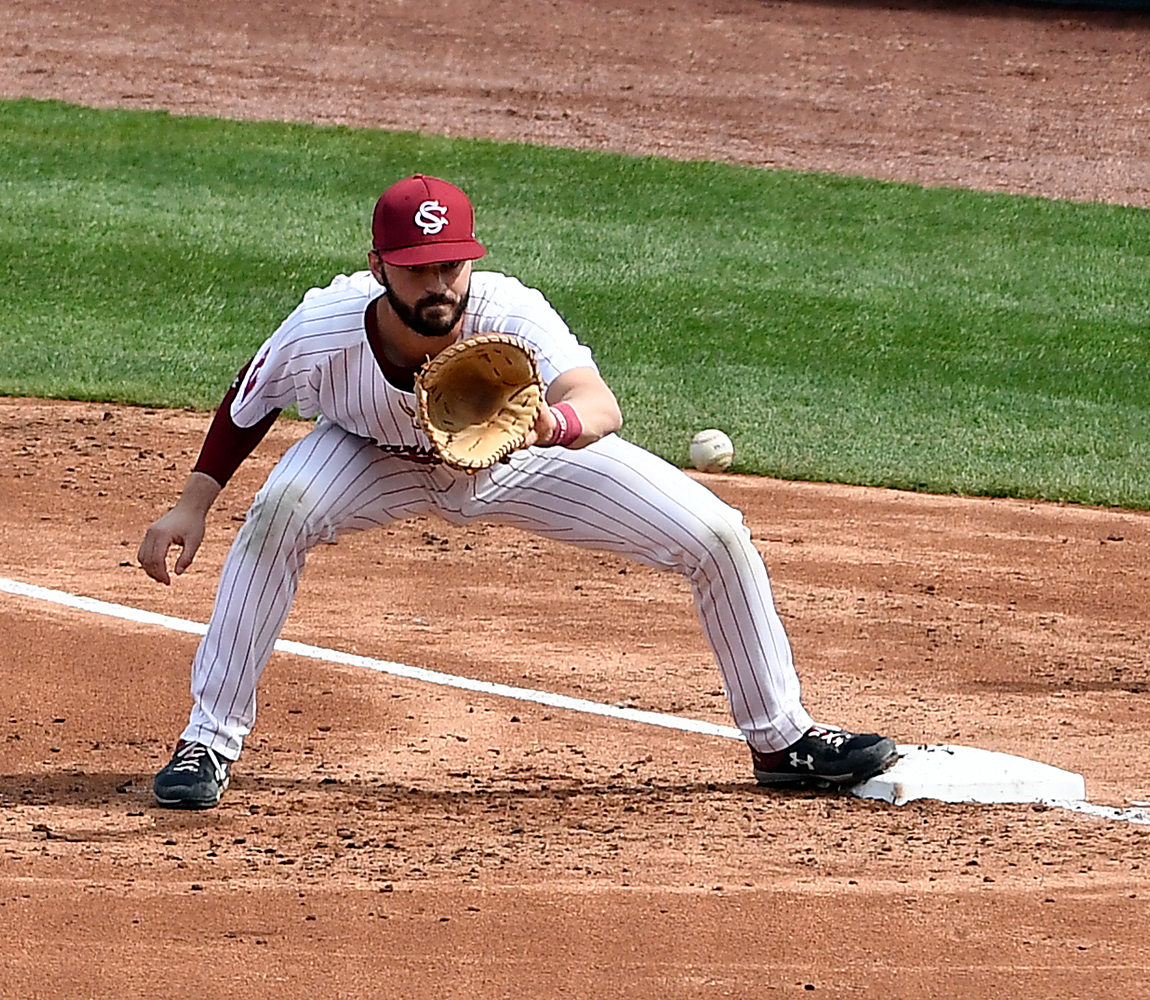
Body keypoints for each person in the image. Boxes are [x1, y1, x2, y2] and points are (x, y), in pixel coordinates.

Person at [138, 174, 898, 809]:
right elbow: (252, 394)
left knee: (719, 535)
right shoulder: (324, 325)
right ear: (378, 267)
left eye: (450, 266)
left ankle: (781, 739)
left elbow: (601, 404)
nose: (437, 285)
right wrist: (192, 503)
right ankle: (208, 741)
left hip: (515, 455)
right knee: (281, 509)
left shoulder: (510, 310)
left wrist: (550, 424)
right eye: (416, 268)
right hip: (371, 456)